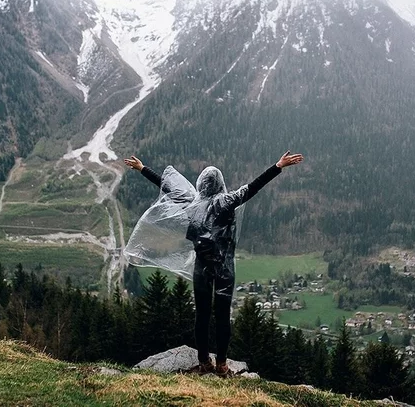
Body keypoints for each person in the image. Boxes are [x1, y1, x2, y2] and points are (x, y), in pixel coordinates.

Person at [124, 151, 304, 375]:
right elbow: (253, 186)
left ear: (201, 184)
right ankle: (221, 364)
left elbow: (166, 186)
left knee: (201, 315)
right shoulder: (226, 201)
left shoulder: (192, 202)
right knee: (222, 317)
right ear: (220, 183)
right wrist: (278, 166)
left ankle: (203, 361)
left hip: (202, 269)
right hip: (224, 270)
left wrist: (143, 169)